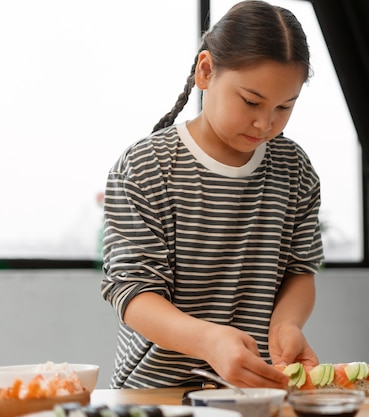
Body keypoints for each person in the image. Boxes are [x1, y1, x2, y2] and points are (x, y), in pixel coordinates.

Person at [100, 0, 324, 389]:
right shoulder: (144, 166)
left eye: (285, 107)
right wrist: (208, 340)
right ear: (206, 72)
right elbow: (132, 292)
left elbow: (300, 271)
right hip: (156, 394)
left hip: (253, 392)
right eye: (251, 102)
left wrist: (286, 324)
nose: (265, 122)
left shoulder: (295, 170)